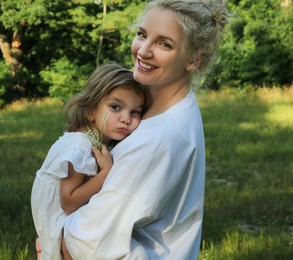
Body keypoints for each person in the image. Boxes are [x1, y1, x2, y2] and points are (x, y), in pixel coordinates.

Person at [61, 0, 229, 259]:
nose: (143, 51)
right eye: (142, 35)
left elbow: (83, 242)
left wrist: (51, 239)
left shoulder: (158, 140)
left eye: (164, 44)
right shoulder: (166, 106)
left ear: (194, 59)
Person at [31, 62, 150, 259]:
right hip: (61, 230)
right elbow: (68, 201)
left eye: (134, 112)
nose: (125, 119)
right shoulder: (80, 148)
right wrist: (105, 172)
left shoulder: (93, 141)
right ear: (90, 111)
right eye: (115, 107)